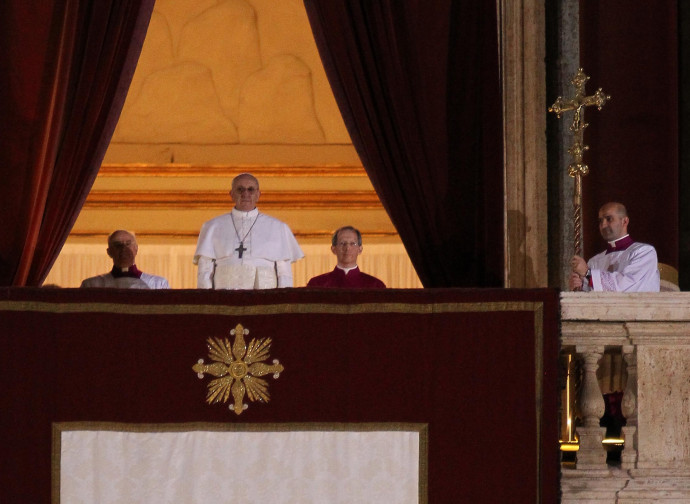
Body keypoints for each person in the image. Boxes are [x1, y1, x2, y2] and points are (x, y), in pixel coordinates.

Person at [194, 173, 304, 289]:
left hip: (265, 299)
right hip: (224, 298)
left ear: (258, 195)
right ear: (231, 194)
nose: (245, 194)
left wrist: (283, 303)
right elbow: (205, 271)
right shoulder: (212, 226)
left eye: (250, 190)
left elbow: (284, 274)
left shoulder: (278, 227)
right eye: (240, 189)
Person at [569, 202, 659, 292]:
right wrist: (579, 286)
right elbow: (589, 294)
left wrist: (587, 273)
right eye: (600, 221)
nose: (603, 225)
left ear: (624, 221)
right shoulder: (594, 261)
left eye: (609, 219)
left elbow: (625, 285)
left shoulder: (644, 252)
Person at [80, 230, 170, 289]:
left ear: (136, 249)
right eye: (118, 245)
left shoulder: (158, 284)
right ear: (109, 252)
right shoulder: (92, 285)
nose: (123, 249)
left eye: (128, 244)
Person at [307, 226, 386, 288]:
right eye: (342, 243)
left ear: (360, 249)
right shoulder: (317, 284)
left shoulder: (375, 285)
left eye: (352, 243)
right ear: (333, 249)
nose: (347, 248)